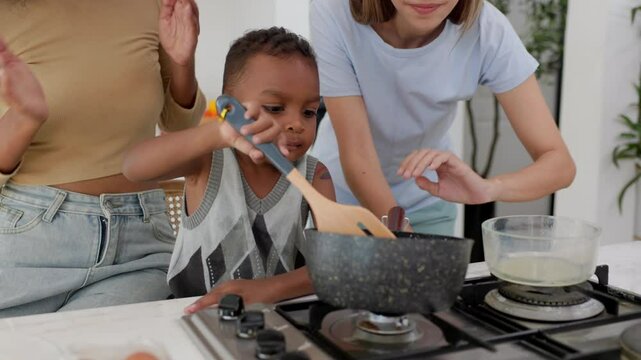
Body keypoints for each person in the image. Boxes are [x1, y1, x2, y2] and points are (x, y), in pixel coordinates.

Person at [0, 0, 206, 318]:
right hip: (29, 241)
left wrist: (183, 62)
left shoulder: (153, 5)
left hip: (140, 246)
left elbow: (178, 125)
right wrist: (24, 119)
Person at [309, 0, 576, 237]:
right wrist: (406, 241)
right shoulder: (334, 11)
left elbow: (559, 164)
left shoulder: (487, 30)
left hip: (427, 203)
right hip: (339, 199)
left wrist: (489, 189)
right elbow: (358, 157)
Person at [123, 27, 335, 313]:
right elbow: (134, 167)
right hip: (192, 315)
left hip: (280, 320)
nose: (297, 123)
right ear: (230, 107)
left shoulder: (315, 175)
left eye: (309, 111)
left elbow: (335, 264)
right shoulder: (209, 161)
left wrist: (268, 290)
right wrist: (218, 134)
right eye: (275, 107)